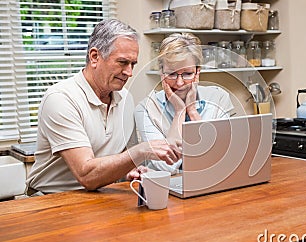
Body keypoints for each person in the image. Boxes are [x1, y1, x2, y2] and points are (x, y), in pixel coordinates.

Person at [25, 19, 181, 195]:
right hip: (50, 200)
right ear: (94, 57)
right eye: (122, 62)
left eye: (133, 64)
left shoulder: (125, 98)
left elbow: (119, 156)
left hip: (99, 195)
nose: (129, 73)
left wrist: (128, 171)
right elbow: (87, 175)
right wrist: (142, 150)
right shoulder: (61, 99)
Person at [134, 33, 234, 174]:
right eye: (172, 74)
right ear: (161, 72)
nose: (179, 83)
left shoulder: (219, 99)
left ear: (197, 72)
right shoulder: (146, 109)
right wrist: (179, 112)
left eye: (187, 74)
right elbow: (166, 166)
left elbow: (218, 158)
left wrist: (192, 111)